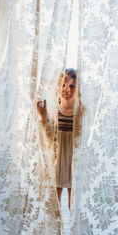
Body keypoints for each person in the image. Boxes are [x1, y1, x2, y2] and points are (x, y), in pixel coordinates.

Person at [36, 68, 77, 210]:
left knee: (74, 204)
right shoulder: (55, 109)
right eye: (64, 85)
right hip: (58, 163)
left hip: (74, 164)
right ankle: (56, 231)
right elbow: (50, 135)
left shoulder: (80, 111)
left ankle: (73, 230)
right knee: (55, 204)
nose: (67, 89)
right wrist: (43, 116)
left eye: (72, 86)